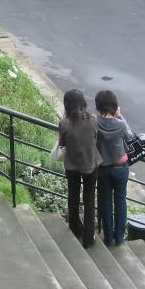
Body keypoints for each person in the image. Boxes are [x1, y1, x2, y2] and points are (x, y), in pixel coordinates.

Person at [59, 89, 102, 248]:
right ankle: (88, 237)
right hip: (91, 164)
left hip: (72, 166)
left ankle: (75, 228)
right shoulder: (93, 120)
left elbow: (62, 144)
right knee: (89, 199)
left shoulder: (64, 124)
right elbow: (95, 139)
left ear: (67, 105)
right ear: (83, 102)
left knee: (73, 197)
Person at [95, 90, 134, 246]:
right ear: (115, 106)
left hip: (102, 168)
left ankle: (108, 238)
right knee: (120, 201)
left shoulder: (94, 122)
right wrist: (120, 116)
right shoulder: (120, 123)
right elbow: (130, 137)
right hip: (120, 168)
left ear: (98, 106)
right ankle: (119, 238)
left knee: (104, 202)